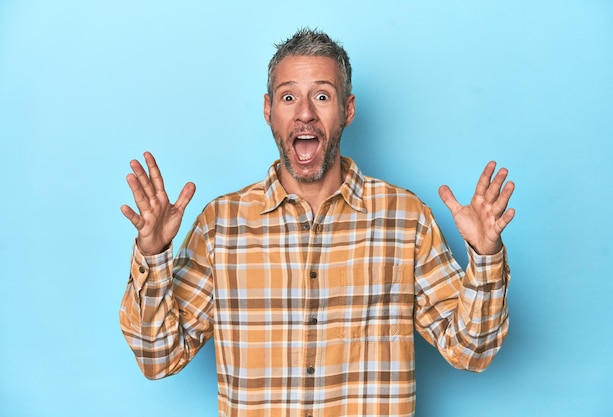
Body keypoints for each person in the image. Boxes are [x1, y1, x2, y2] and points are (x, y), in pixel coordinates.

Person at [119, 28, 515, 417]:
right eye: (288, 97)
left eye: (322, 96)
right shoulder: (221, 226)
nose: (305, 113)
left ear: (347, 109)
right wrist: (152, 255)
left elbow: (471, 351)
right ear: (268, 110)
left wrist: (485, 256)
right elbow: (159, 358)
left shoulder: (405, 219)